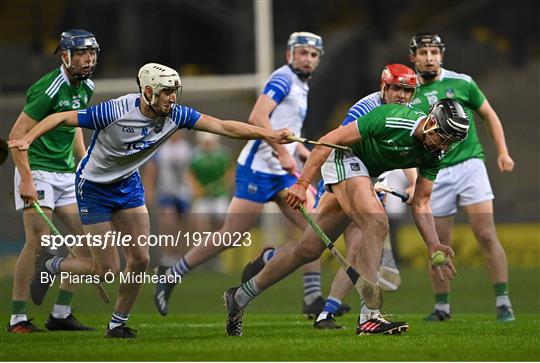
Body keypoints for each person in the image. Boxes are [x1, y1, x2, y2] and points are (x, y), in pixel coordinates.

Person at [8, 62, 293, 339]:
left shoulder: (176, 115)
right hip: (93, 189)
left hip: (129, 186)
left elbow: (223, 127)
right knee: (106, 270)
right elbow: (60, 118)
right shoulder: (115, 110)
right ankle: (49, 265)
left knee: (141, 258)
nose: (172, 98)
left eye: (174, 91)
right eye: (166, 91)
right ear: (147, 92)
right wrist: (28, 138)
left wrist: (270, 135)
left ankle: (118, 324)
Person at [224, 98, 470, 337]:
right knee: (377, 221)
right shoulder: (392, 118)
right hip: (343, 158)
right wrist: (302, 183)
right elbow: (327, 141)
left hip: (364, 174)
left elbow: (422, 202)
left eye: (450, 142)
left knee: (307, 250)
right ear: (431, 122)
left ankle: (240, 296)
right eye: (442, 137)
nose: (443, 146)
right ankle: (370, 317)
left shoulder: (435, 154)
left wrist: (432, 244)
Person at [154, 31, 331, 318]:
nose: (307, 59)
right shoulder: (283, 78)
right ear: (289, 54)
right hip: (257, 170)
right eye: (302, 53)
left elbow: (286, 127)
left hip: (283, 174)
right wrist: (283, 153)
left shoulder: (301, 85)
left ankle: (312, 298)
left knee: (316, 229)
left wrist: (301, 153)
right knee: (230, 236)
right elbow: (258, 117)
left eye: (313, 55)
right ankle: (171, 274)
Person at [408, 33, 515, 322]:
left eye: (434, 51)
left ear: (441, 55)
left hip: (470, 167)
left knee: (485, 233)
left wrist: (503, 153)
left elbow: (489, 115)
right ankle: (442, 307)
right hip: (435, 171)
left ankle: (503, 301)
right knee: (439, 242)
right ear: (413, 57)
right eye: (423, 52)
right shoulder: (408, 91)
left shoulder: (462, 82)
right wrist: (409, 178)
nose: (429, 57)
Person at [312, 64, 418, 329]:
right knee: (311, 248)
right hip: (343, 172)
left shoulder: (407, 115)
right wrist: (359, 186)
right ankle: (367, 317)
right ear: (384, 87)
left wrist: (412, 182)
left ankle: (328, 312)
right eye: (397, 88)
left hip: (364, 177)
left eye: (407, 90)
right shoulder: (365, 108)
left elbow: (404, 150)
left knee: (357, 249)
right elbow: (339, 144)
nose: (402, 95)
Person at [7, 29, 99, 333]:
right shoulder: (48, 89)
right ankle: (17, 318)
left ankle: (60, 314)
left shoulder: (86, 87)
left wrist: (83, 163)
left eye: (92, 53)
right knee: (38, 241)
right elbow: (16, 138)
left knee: (87, 246)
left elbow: (74, 126)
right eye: (82, 53)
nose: (88, 59)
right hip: (38, 169)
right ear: (65, 56)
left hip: (66, 173)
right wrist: (26, 181)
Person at [142, 131, 194, 267]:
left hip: (183, 192)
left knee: (182, 226)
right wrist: (149, 190)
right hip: (166, 191)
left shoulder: (186, 148)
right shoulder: (161, 148)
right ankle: (168, 255)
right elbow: (151, 170)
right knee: (168, 223)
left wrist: (194, 189)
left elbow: (191, 171)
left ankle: (180, 256)